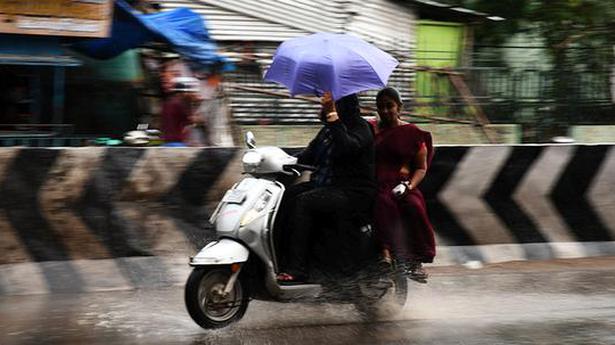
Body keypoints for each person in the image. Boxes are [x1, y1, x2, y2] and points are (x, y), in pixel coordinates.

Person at [276, 92, 377, 284]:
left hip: (352, 191)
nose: (322, 107)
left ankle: (298, 269)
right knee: (286, 196)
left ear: (345, 106)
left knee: (304, 202)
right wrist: (278, 159)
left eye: (331, 104)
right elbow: (307, 155)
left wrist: (332, 117)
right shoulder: (327, 131)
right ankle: (281, 259)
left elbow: (347, 148)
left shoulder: (360, 127)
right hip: (327, 186)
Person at [370, 87, 436, 282]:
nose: (385, 111)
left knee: (414, 207)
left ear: (399, 107)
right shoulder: (371, 129)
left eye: (389, 106)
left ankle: (415, 261)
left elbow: (421, 168)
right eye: (380, 107)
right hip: (378, 183)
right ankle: (385, 253)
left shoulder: (412, 133)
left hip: (404, 185)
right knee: (383, 203)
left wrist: (408, 186)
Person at [160, 77, 203, 146]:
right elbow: (190, 120)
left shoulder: (166, 104)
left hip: (165, 141)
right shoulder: (178, 104)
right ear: (182, 93)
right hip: (176, 141)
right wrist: (200, 119)